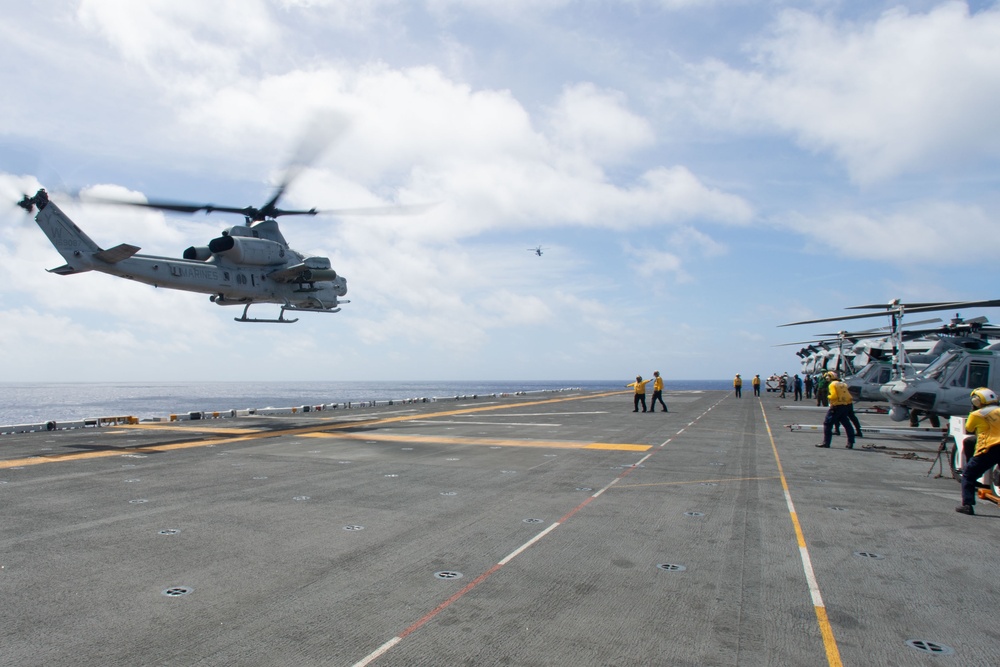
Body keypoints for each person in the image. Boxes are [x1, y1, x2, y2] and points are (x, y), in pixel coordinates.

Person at [956, 387, 1000, 515]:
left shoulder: (976, 414)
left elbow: (969, 428)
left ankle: (967, 505)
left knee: (968, 475)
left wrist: (973, 412)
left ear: (976, 401)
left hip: (989, 448)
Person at [816, 372, 855, 449]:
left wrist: (828, 396)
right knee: (847, 425)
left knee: (827, 424)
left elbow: (833, 396)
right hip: (845, 406)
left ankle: (826, 442)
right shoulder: (843, 384)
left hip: (836, 407)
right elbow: (848, 396)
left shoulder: (832, 385)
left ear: (829, 377)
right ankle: (850, 442)